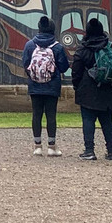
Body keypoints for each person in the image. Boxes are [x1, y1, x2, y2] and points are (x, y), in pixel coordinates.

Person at [71, 17, 112, 161]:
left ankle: (89, 150)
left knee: (88, 120)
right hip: (108, 90)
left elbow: (76, 71)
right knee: (107, 122)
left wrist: (77, 87)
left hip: (88, 90)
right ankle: (111, 151)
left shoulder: (83, 49)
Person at [22, 16, 70, 157]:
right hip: (52, 86)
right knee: (51, 115)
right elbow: (64, 67)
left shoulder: (30, 45)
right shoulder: (57, 47)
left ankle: (37, 146)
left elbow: (25, 63)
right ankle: (51, 146)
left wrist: (33, 75)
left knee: (36, 114)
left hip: (34, 85)